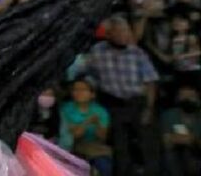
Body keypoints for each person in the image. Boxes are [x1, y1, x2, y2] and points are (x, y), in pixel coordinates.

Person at [86, 16, 160, 176]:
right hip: (112, 104)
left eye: (125, 31)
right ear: (109, 34)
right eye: (118, 31)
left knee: (144, 145)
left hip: (136, 103)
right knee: (120, 147)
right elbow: (88, 75)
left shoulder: (137, 52)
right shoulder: (97, 51)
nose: (122, 35)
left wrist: (149, 108)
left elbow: (150, 81)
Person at [59, 78, 112, 176]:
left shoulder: (100, 111)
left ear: (92, 94)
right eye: (76, 90)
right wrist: (88, 121)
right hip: (71, 146)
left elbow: (102, 137)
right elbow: (75, 135)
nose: (79, 93)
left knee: (104, 165)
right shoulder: (66, 109)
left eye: (83, 90)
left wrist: (97, 124)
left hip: (93, 146)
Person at [160, 83, 201, 175]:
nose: (187, 99)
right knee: (169, 155)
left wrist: (191, 140)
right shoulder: (169, 115)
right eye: (183, 96)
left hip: (197, 156)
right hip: (178, 155)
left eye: (191, 96)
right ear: (177, 99)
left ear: (198, 99)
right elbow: (166, 142)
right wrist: (190, 140)